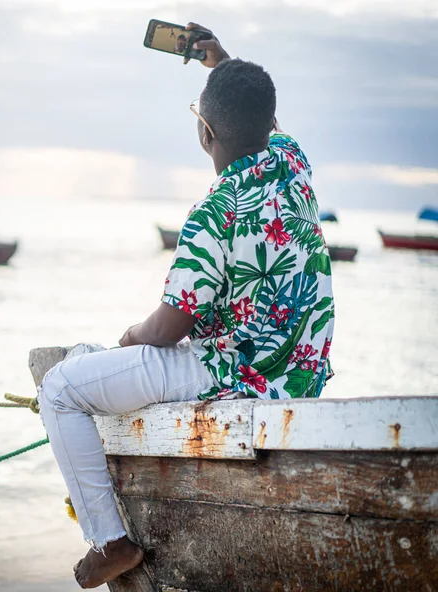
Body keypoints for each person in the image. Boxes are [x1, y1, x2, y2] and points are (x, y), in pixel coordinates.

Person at [38, 21, 334, 589]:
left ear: (205, 132)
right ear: (267, 124)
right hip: (298, 373)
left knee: (61, 386)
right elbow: (262, 117)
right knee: (85, 360)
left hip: (232, 374)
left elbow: (171, 325)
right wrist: (220, 64)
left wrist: (130, 335)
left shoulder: (214, 211)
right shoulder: (293, 164)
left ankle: (110, 542)